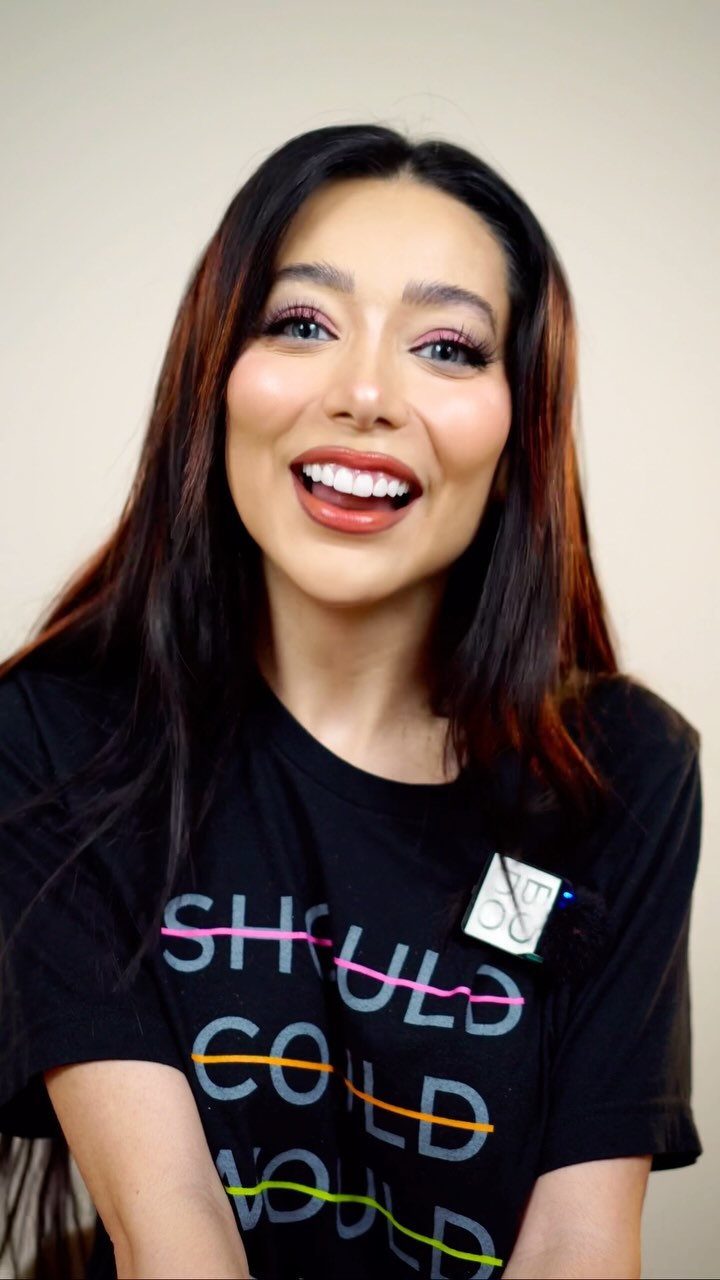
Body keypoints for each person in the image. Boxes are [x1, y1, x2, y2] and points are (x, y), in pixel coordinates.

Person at [0, 122, 702, 1280]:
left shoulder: (624, 770)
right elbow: (170, 1225)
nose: (366, 393)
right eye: (303, 323)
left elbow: (579, 1242)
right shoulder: (59, 738)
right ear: (215, 377)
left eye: (447, 346)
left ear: (519, 425)